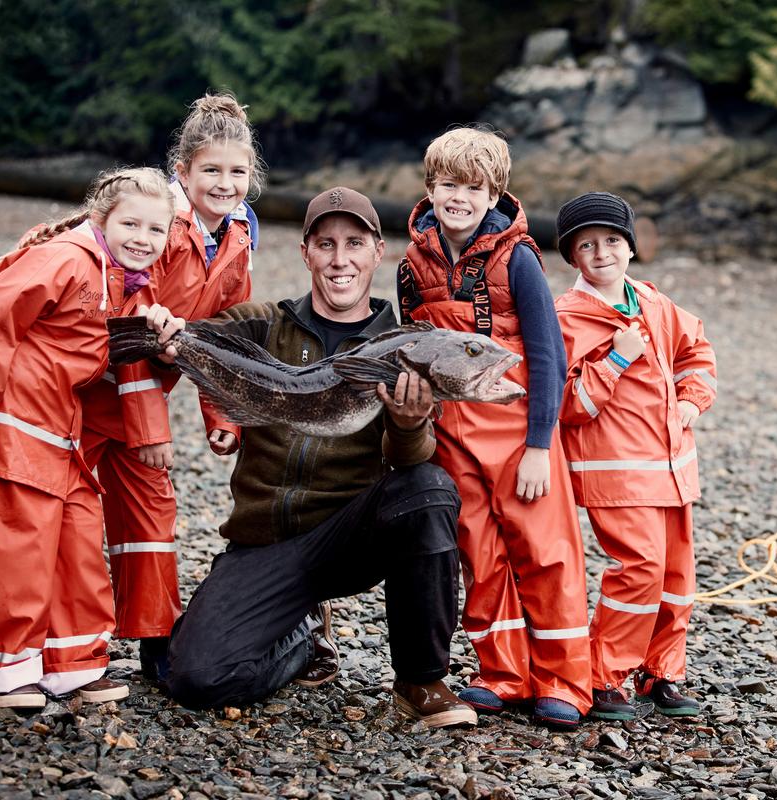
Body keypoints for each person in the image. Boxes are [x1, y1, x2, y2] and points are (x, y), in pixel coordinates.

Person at [159, 187, 477, 729]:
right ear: (305, 252)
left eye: (354, 243)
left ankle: (421, 681)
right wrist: (168, 332)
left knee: (428, 487)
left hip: (349, 535)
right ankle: (304, 638)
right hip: (263, 543)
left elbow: (412, 460)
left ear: (378, 252)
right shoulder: (263, 324)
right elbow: (186, 316)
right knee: (195, 678)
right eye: (325, 244)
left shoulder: (408, 345)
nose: (339, 259)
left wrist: (408, 423)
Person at [0, 168, 184, 709]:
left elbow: (131, 344)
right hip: (16, 420)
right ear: (99, 219)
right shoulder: (65, 259)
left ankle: (72, 662)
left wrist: (158, 329)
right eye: (130, 223)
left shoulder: (126, 281)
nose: (142, 238)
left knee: (78, 534)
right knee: (19, 541)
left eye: (155, 231)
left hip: (64, 426)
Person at [397, 126, 591, 727]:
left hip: (517, 436)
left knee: (545, 552)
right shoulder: (411, 262)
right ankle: (503, 673)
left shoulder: (521, 259)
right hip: (452, 435)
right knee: (479, 555)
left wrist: (539, 444)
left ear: (494, 193)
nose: (459, 197)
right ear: (430, 188)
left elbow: (549, 357)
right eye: (448, 184)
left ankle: (564, 680)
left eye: (473, 187)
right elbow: (413, 348)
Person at [77, 92, 263, 684]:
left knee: (152, 515)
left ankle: (155, 640)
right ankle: (68, 646)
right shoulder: (157, 227)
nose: (224, 182)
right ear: (182, 171)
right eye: (211, 170)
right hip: (86, 389)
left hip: (145, 393)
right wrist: (152, 427)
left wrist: (224, 418)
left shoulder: (237, 239)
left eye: (237, 172)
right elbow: (129, 325)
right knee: (71, 516)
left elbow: (218, 341)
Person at [553, 192, 717, 720]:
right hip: (616, 473)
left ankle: (661, 672)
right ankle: (605, 676)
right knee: (639, 571)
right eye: (587, 245)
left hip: (673, 468)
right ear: (573, 257)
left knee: (677, 575)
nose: (602, 253)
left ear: (630, 248)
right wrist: (618, 358)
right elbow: (566, 404)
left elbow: (697, 351)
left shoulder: (654, 302)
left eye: (613, 241)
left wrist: (692, 399)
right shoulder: (565, 318)